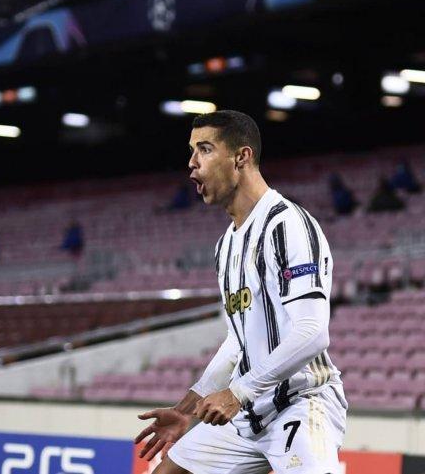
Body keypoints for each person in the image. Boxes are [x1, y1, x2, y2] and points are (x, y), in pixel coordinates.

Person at [135, 110, 346, 474]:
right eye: (191, 151)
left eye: (204, 149)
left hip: (300, 401)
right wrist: (187, 410)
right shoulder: (225, 246)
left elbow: (313, 333)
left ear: (241, 157)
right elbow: (238, 341)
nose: (192, 163)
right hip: (250, 410)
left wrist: (237, 393)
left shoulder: (287, 225)